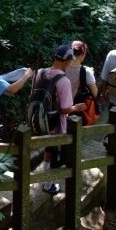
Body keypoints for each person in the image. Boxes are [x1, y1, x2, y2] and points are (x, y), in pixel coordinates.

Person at [32, 44, 76, 195]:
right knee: (56, 154)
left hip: (39, 119)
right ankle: (48, 184)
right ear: (67, 61)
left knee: (48, 150)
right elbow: (64, 109)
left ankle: (46, 181)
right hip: (56, 123)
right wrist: (77, 108)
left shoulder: (40, 73)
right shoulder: (64, 81)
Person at [65, 40, 99, 122]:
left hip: (62, 108)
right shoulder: (86, 71)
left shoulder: (62, 67)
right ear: (83, 54)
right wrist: (91, 75)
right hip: (78, 111)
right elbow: (95, 93)